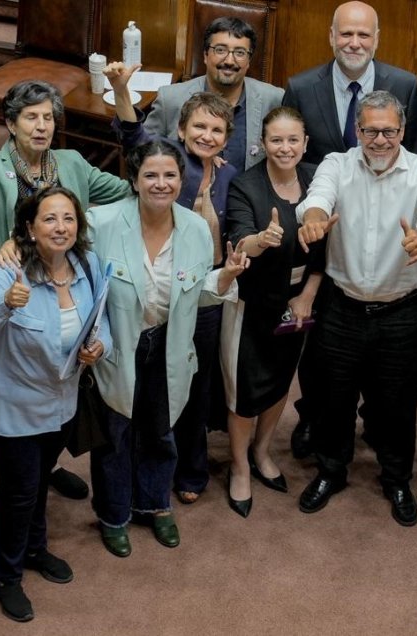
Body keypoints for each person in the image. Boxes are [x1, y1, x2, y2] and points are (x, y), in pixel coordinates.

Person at [0, 74, 128, 497]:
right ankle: (7, 473)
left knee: (51, 372)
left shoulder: (72, 164)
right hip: (2, 291)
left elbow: (123, 191)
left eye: (48, 118)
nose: (41, 126)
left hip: (55, 286)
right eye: (30, 117)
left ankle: (44, 464)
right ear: (11, 123)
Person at [86, 141, 247, 557]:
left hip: (169, 342)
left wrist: (225, 277)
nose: (161, 183)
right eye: (151, 175)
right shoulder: (100, 222)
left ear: (181, 179)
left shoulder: (195, 228)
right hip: (117, 344)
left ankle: (155, 503)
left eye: (170, 175)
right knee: (116, 432)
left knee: (160, 428)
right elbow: (73, 274)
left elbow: (197, 293)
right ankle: (113, 514)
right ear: (134, 180)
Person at [295, 90, 417, 527]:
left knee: (397, 405)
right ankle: (331, 471)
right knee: (334, 398)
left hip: (402, 311)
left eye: (389, 131)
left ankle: (396, 479)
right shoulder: (337, 164)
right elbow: (317, 197)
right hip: (341, 307)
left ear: (403, 131)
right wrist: (314, 219)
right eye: (370, 131)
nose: (380, 140)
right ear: (357, 130)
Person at [0, 187, 109, 623]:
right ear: (30, 228)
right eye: (49, 219)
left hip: (62, 405)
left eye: (68, 218)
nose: (60, 227)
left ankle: (35, 549)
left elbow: (100, 319)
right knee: (20, 491)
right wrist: (6, 303)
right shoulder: (11, 268)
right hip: (13, 409)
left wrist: (99, 347)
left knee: (39, 481)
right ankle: (6, 577)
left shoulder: (88, 265)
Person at [108, 62, 240, 504]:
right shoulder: (165, 162)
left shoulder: (230, 175)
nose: (207, 135)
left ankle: (191, 470)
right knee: (151, 387)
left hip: (208, 289)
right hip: (160, 288)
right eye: (199, 126)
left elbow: (237, 227)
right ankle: (142, 472)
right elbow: (132, 134)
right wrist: (121, 89)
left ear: (227, 138)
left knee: (195, 387)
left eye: (216, 130)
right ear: (181, 130)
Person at [221, 106, 324, 517]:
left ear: (305, 143)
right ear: (263, 143)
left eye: (292, 139)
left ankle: (262, 451)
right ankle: (239, 466)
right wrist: (261, 240)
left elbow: (328, 249)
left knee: (281, 381)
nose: (285, 147)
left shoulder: (317, 181)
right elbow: (238, 242)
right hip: (252, 304)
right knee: (244, 391)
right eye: (276, 140)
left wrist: (308, 294)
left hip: (297, 304)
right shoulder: (246, 185)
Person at [282, 1, 417, 166]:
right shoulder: (300, 90)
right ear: (331, 36)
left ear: (376, 39)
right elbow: (289, 157)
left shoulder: (406, 87)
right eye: (346, 34)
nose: (355, 44)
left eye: (363, 35)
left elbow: (412, 160)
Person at [143, 16, 283, 172]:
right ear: (205, 55)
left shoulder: (274, 99)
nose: (229, 61)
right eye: (220, 50)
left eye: (240, 52)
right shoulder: (170, 99)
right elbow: (142, 151)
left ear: (249, 60)